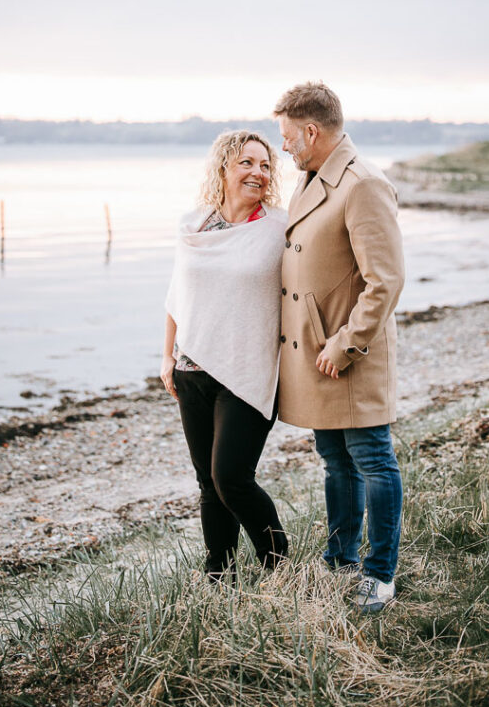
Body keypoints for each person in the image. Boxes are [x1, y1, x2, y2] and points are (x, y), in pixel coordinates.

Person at [274, 82, 405, 613]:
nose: (282, 147)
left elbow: (386, 281)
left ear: (311, 130)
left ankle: (380, 574)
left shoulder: (363, 185)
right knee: (334, 461)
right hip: (314, 355)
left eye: (286, 136)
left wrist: (346, 344)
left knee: (373, 460)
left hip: (350, 355)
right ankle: (340, 557)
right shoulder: (309, 179)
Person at [161, 129, 288, 581]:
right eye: (246, 163)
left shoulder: (278, 228)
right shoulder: (195, 226)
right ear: (223, 168)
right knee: (208, 485)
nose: (258, 172)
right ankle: (220, 574)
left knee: (231, 478)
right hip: (192, 368)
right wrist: (166, 358)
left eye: (265, 165)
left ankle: (280, 567)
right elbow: (178, 296)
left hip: (248, 372)